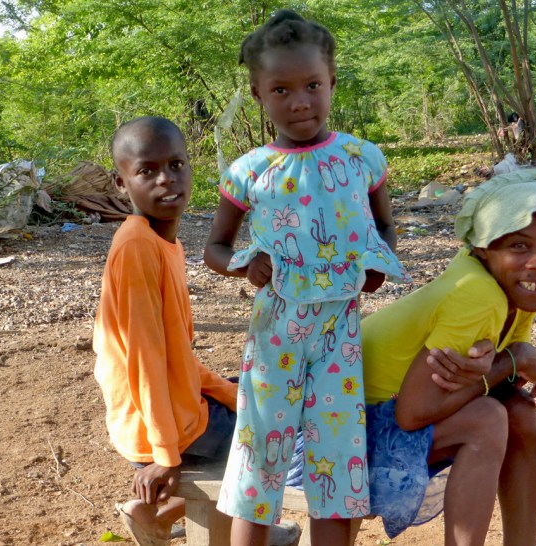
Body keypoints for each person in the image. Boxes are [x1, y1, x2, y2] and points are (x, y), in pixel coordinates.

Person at [203, 10, 409, 546]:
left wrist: (376, 265)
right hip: (275, 339)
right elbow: (214, 247)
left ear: (332, 82)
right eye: (281, 89)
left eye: (313, 85)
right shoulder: (248, 172)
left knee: (336, 463)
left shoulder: (361, 158)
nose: (300, 101)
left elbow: (385, 226)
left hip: (339, 335)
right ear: (258, 95)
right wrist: (244, 263)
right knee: (258, 459)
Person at [93, 116, 299, 546]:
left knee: (265, 392)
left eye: (176, 164)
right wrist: (166, 454)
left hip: (173, 406)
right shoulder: (135, 248)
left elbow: (176, 355)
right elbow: (146, 362)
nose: (166, 179)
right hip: (159, 426)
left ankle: (159, 516)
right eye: (147, 171)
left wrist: (229, 392)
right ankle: (248, 527)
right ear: (120, 182)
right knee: (280, 432)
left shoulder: (163, 241)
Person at [361, 168, 536, 546]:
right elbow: (413, 413)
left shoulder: (517, 288)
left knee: (519, 411)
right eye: (519, 246)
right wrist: (513, 359)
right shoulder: (478, 294)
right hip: (343, 428)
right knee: (487, 418)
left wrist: (507, 364)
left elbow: (502, 379)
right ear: (483, 248)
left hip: (386, 412)